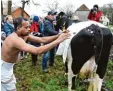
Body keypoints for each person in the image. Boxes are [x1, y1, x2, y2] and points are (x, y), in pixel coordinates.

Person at [1, 17, 70, 91]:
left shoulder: (24, 35)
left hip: (8, 67)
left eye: (29, 26)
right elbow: (37, 51)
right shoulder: (15, 39)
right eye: (26, 27)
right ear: (18, 28)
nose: (29, 29)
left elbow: (42, 39)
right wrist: (59, 40)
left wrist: (58, 36)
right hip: (3, 69)